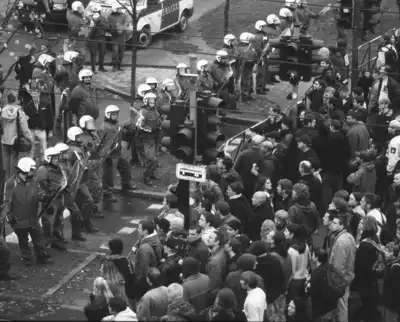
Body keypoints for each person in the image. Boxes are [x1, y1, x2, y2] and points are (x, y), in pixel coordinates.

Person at [3, 157, 53, 266]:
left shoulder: (33, 181)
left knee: (38, 236)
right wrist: (10, 219)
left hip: (33, 217)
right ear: (25, 170)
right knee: (23, 240)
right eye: (31, 170)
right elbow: (7, 202)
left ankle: (41, 256)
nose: (33, 172)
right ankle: (27, 258)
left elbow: (38, 193)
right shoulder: (11, 183)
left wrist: (45, 197)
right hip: (19, 219)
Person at [66, 126, 99, 235]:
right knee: (87, 201)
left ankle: (81, 226)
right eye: (78, 137)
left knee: (81, 204)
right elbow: (82, 164)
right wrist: (93, 163)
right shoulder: (75, 150)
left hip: (80, 180)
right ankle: (84, 224)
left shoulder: (77, 148)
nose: (80, 138)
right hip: (77, 181)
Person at [100, 105, 136, 201]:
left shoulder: (116, 124)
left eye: (116, 114)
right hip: (109, 154)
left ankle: (125, 183)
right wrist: (105, 153)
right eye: (113, 114)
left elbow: (118, 134)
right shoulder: (105, 127)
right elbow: (101, 142)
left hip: (117, 153)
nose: (115, 116)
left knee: (125, 166)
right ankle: (106, 193)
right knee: (109, 175)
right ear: (108, 115)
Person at [36, 147, 67, 251]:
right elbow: (40, 188)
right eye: (54, 158)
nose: (57, 160)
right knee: (48, 223)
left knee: (58, 221)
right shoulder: (43, 170)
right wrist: (46, 202)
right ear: (48, 158)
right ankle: (46, 243)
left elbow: (63, 180)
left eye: (57, 158)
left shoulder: (59, 167)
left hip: (59, 198)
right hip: (50, 200)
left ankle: (56, 240)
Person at [0, 91, 32, 179]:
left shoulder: (2, 111)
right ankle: (12, 179)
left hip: (4, 139)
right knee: (13, 159)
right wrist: (29, 138)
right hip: (14, 139)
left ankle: (6, 178)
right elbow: (24, 128)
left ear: (7, 99)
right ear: (15, 100)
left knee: (5, 158)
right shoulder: (18, 112)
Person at [79, 115, 103, 218]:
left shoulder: (94, 135)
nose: (92, 125)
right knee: (97, 186)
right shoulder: (83, 138)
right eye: (89, 123)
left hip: (96, 164)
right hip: (89, 166)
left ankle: (91, 207)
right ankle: (92, 208)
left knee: (95, 186)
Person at [137, 93, 161, 186]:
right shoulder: (143, 111)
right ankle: (146, 176)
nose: (152, 102)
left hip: (155, 136)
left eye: (153, 100)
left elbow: (157, 120)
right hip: (147, 138)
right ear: (146, 101)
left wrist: (159, 124)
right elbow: (140, 125)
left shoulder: (154, 109)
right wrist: (150, 129)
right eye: (150, 100)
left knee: (155, 157)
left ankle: (151, 174)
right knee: (152, 159)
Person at [87, 4, 109, 73]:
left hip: (102, 38)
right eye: (94, 11)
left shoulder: (103, 18)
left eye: (97, 11)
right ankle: (93, 68)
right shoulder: (89, 18)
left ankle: (101, 67)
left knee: (102, 53)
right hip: (93, 38)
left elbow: (107, 27)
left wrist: (100, 23)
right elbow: (86, 29)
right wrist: (92, 22)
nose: (96, 12)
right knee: (93, 54)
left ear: (99, 11)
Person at [107, 3, 128, 71]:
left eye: (120, 8)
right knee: (115, 52)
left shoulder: (124, 15)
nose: (120, 9)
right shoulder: (110, 17)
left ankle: (119, 65)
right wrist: (113, 30)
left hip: (122, 37)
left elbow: (126, 23)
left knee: (121, 52)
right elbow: (108, 27)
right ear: (115, 9)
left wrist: (121, 28)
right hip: (115, 37)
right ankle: (114, 66)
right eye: (119, 8)